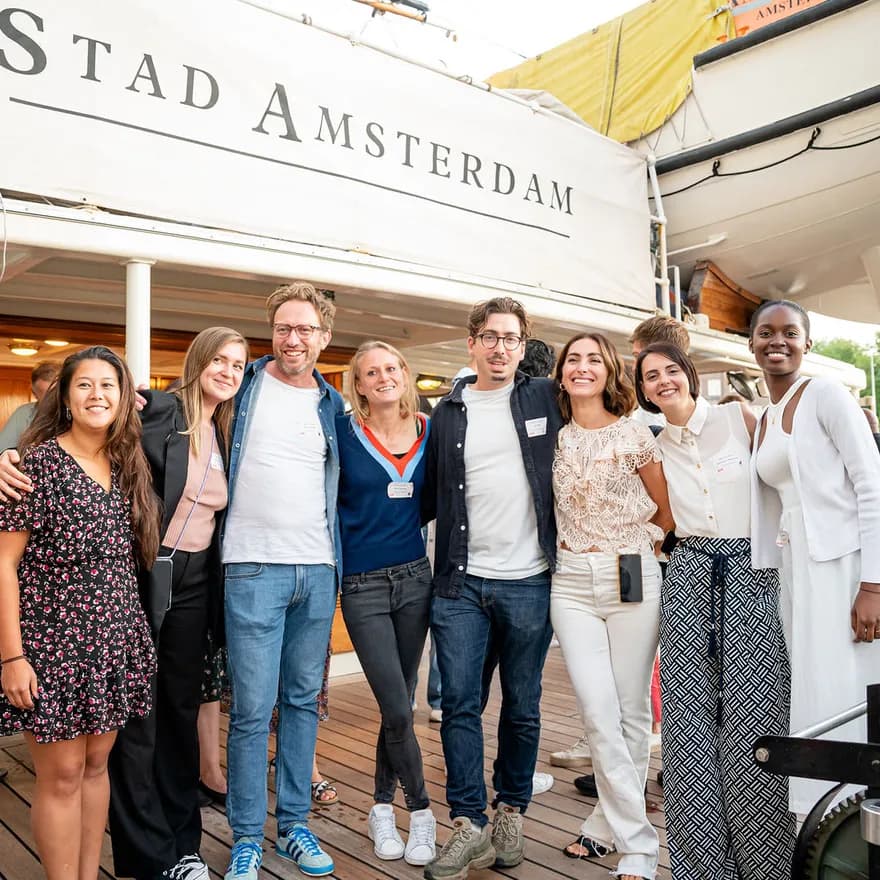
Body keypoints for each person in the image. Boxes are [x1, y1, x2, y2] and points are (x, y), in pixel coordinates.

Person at [634, 342, 794, 880]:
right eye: (650, 376)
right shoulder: (655, 447)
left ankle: (765, 862)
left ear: (689, 375)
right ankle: (703, 866)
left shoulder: (740, 416)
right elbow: (661, 517)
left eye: (670, 370)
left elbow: (781, 484)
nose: (662, 381)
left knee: (755, 713)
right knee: (687, 720)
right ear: (644, 390)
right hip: (689, 570)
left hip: (752, 567)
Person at [0, 346, 159, 880]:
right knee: (62, 776)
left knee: (96, 768)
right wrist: (12, 658)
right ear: (64, 398)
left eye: (108, 385)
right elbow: (3, 564)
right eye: (85, 385)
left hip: (114, 639)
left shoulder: (126, 461)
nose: (97, 395)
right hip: (51, 644)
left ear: (124, 396)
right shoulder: (35, 464)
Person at [421, 297, 562, 880]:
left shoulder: (545, 398)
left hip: (530, 579)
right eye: (491, 337)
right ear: (472, 342)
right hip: (460, 582)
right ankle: (467, 823)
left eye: (512, 338)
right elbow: (422, 487)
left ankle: (511, 811)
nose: (501, 347)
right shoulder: (448, 411)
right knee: (458, 703)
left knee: (524, 707)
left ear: (524, 345)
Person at [106, 327, 248, 880]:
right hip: (143, 573)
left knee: (180, 713)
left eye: (238, 365)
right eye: (220, 360)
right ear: (198, 361)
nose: (229, 372)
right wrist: (12, 454)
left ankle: (183, 845)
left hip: (195, 584)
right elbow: (81, 420)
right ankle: (147, 855)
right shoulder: (158, 408)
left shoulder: (229, 429)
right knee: (140, 716)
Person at [222, 282, 343, 880]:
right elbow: (165, 413)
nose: (292, 339)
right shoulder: (240, 386)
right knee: (251, 709)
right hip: (250, 567)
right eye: (283, 328)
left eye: (305, 329)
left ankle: (294, 825)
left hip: (318, 570)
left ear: (324, 336)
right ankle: (246, 835)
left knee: (302, 704)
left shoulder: (332, 403)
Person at [749, 299, 880, 816]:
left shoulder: (826, 394)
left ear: (807, 344)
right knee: (808, 685)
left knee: (840, 685)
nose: (776, 341)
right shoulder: (765, 417)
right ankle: (817, 813)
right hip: (796, 567)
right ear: (752, 344)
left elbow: (872, 487)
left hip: (842, 565)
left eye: (789, 332)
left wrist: (873, 584)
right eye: (765, 332)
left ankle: (850, 813)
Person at [552, 333, 673, 880]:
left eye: (592, 360)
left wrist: (641, 550)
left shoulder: (635, 434)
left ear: (609, 372)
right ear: (560, 373)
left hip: (631, 575)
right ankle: (641, 843)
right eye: (573, 360)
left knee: (631, 712)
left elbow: (668, 511)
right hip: (571, 581)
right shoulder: (553, 438)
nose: (582, 368)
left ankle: (608, 826)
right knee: (599, 713)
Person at [337, 340, 436, 865]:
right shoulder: (343, 433)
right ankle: (420, 811)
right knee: (397, 707)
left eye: (392, 367)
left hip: (416, 580)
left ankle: (380, 808)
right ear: (358, 384)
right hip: (363, 585)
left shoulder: (430, 430)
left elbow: (438, 497)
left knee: (399, 702)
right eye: (371, 372)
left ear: (405, 373)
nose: (383, 377)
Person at [0, 362, 58, 451]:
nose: (56, 399)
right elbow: (3, 450)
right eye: (49, 395)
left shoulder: (79, 412)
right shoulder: (23, 413)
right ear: (35, 394)